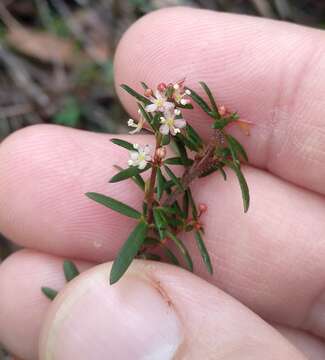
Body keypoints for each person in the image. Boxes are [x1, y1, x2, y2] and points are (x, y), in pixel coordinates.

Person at [0, 6, 325, 359]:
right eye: (159, 106)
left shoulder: (182, 139)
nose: (163, 110)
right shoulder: (161, 138)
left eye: (165, 107)